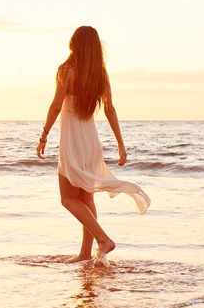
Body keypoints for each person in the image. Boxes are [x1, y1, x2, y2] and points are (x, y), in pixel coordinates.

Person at [36, 26, 150, 263]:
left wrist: (44, 135)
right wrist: (121, 144)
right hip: (91, 142)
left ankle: (103, 239)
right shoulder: (100, 73)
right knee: (86, 200)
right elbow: (110, 109)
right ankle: (85, 254)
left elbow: (56, 106)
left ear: (74, 44)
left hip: (72, 143)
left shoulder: (66, 70)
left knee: (67, 199)